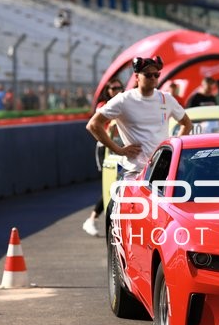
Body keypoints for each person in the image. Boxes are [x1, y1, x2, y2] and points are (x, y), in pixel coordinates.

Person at [86, 56, 193, 180]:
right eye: (148, 75)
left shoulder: (166, 98)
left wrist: (174, 150)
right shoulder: (123, 100)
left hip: (162, 168)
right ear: (137, 77)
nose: (153, 78)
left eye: (156, 75)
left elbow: (187, 124)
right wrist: (118, 150)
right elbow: (93, 125)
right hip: (133, 171)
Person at [82, 78, 124, 237]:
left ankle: (97, 219)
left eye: (119, 87)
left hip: (122, 148)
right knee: (109, 186)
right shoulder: (103, 105)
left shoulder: (124, 102)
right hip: (106, 149)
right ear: (108, 90)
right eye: (113, 88)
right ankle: (92, 218)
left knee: (120, 186)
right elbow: (98, 125)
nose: (117, 90)